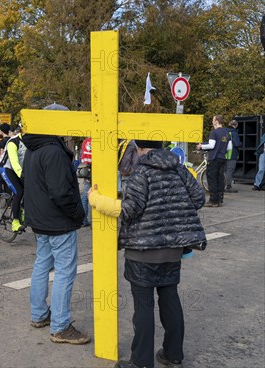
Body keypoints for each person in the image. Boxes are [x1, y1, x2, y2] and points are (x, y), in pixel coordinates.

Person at [88, 140, 206, 368]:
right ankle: (173, 355)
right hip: (172, 249)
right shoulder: (178, 167)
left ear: (139, 148)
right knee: (170, 299)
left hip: (143, 252)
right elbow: (198, 199)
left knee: (143, 306)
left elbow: (130, 209)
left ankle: (141, 362)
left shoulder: (141, 172)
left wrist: (96, 200)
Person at [21, 112, 91, 345]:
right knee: (64, 271)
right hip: (57, 221)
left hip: (40, 220)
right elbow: (62, 192)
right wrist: (78, 214)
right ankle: (60, 326)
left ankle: (39, 314)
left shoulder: (34, 148)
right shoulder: (54, 151)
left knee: (42, 265)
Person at [196, 115, 231, 207]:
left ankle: (213, 200)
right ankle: (220, 199)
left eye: (213, 119)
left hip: (213, 158)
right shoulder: (227, 133)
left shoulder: (214, 132)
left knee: (212, 179)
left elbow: (211, 145)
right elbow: (229, 147)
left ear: (216, 121)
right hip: (222, 158)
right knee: (220, 178)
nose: (212, 121)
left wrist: (201, 146)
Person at [0, 127, 26, 232]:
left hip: (21, 170)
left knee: (31, 190)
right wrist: (22, 175)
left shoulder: (31, 142)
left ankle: (23, 211)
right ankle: (15, 222)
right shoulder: (13, 142)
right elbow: (14, 162)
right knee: (19, 192)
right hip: (7, 169)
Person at [224, 120, 242, 193]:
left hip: (223, 154)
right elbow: (237, 144)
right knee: (229, 171)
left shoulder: (224, 131)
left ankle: (222, 186)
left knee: (223, 171)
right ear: (235, 126)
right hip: (232, 155)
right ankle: (228, 187)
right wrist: (241, 143)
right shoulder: (234, 133)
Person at [79, 137, 92, 227]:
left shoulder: (85, 142)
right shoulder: (100, 139)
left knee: (85, 197)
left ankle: (84, 220)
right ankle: (96, 221)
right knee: (97, 197)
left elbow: (81, 156)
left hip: (87, 171)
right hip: (99, 170)